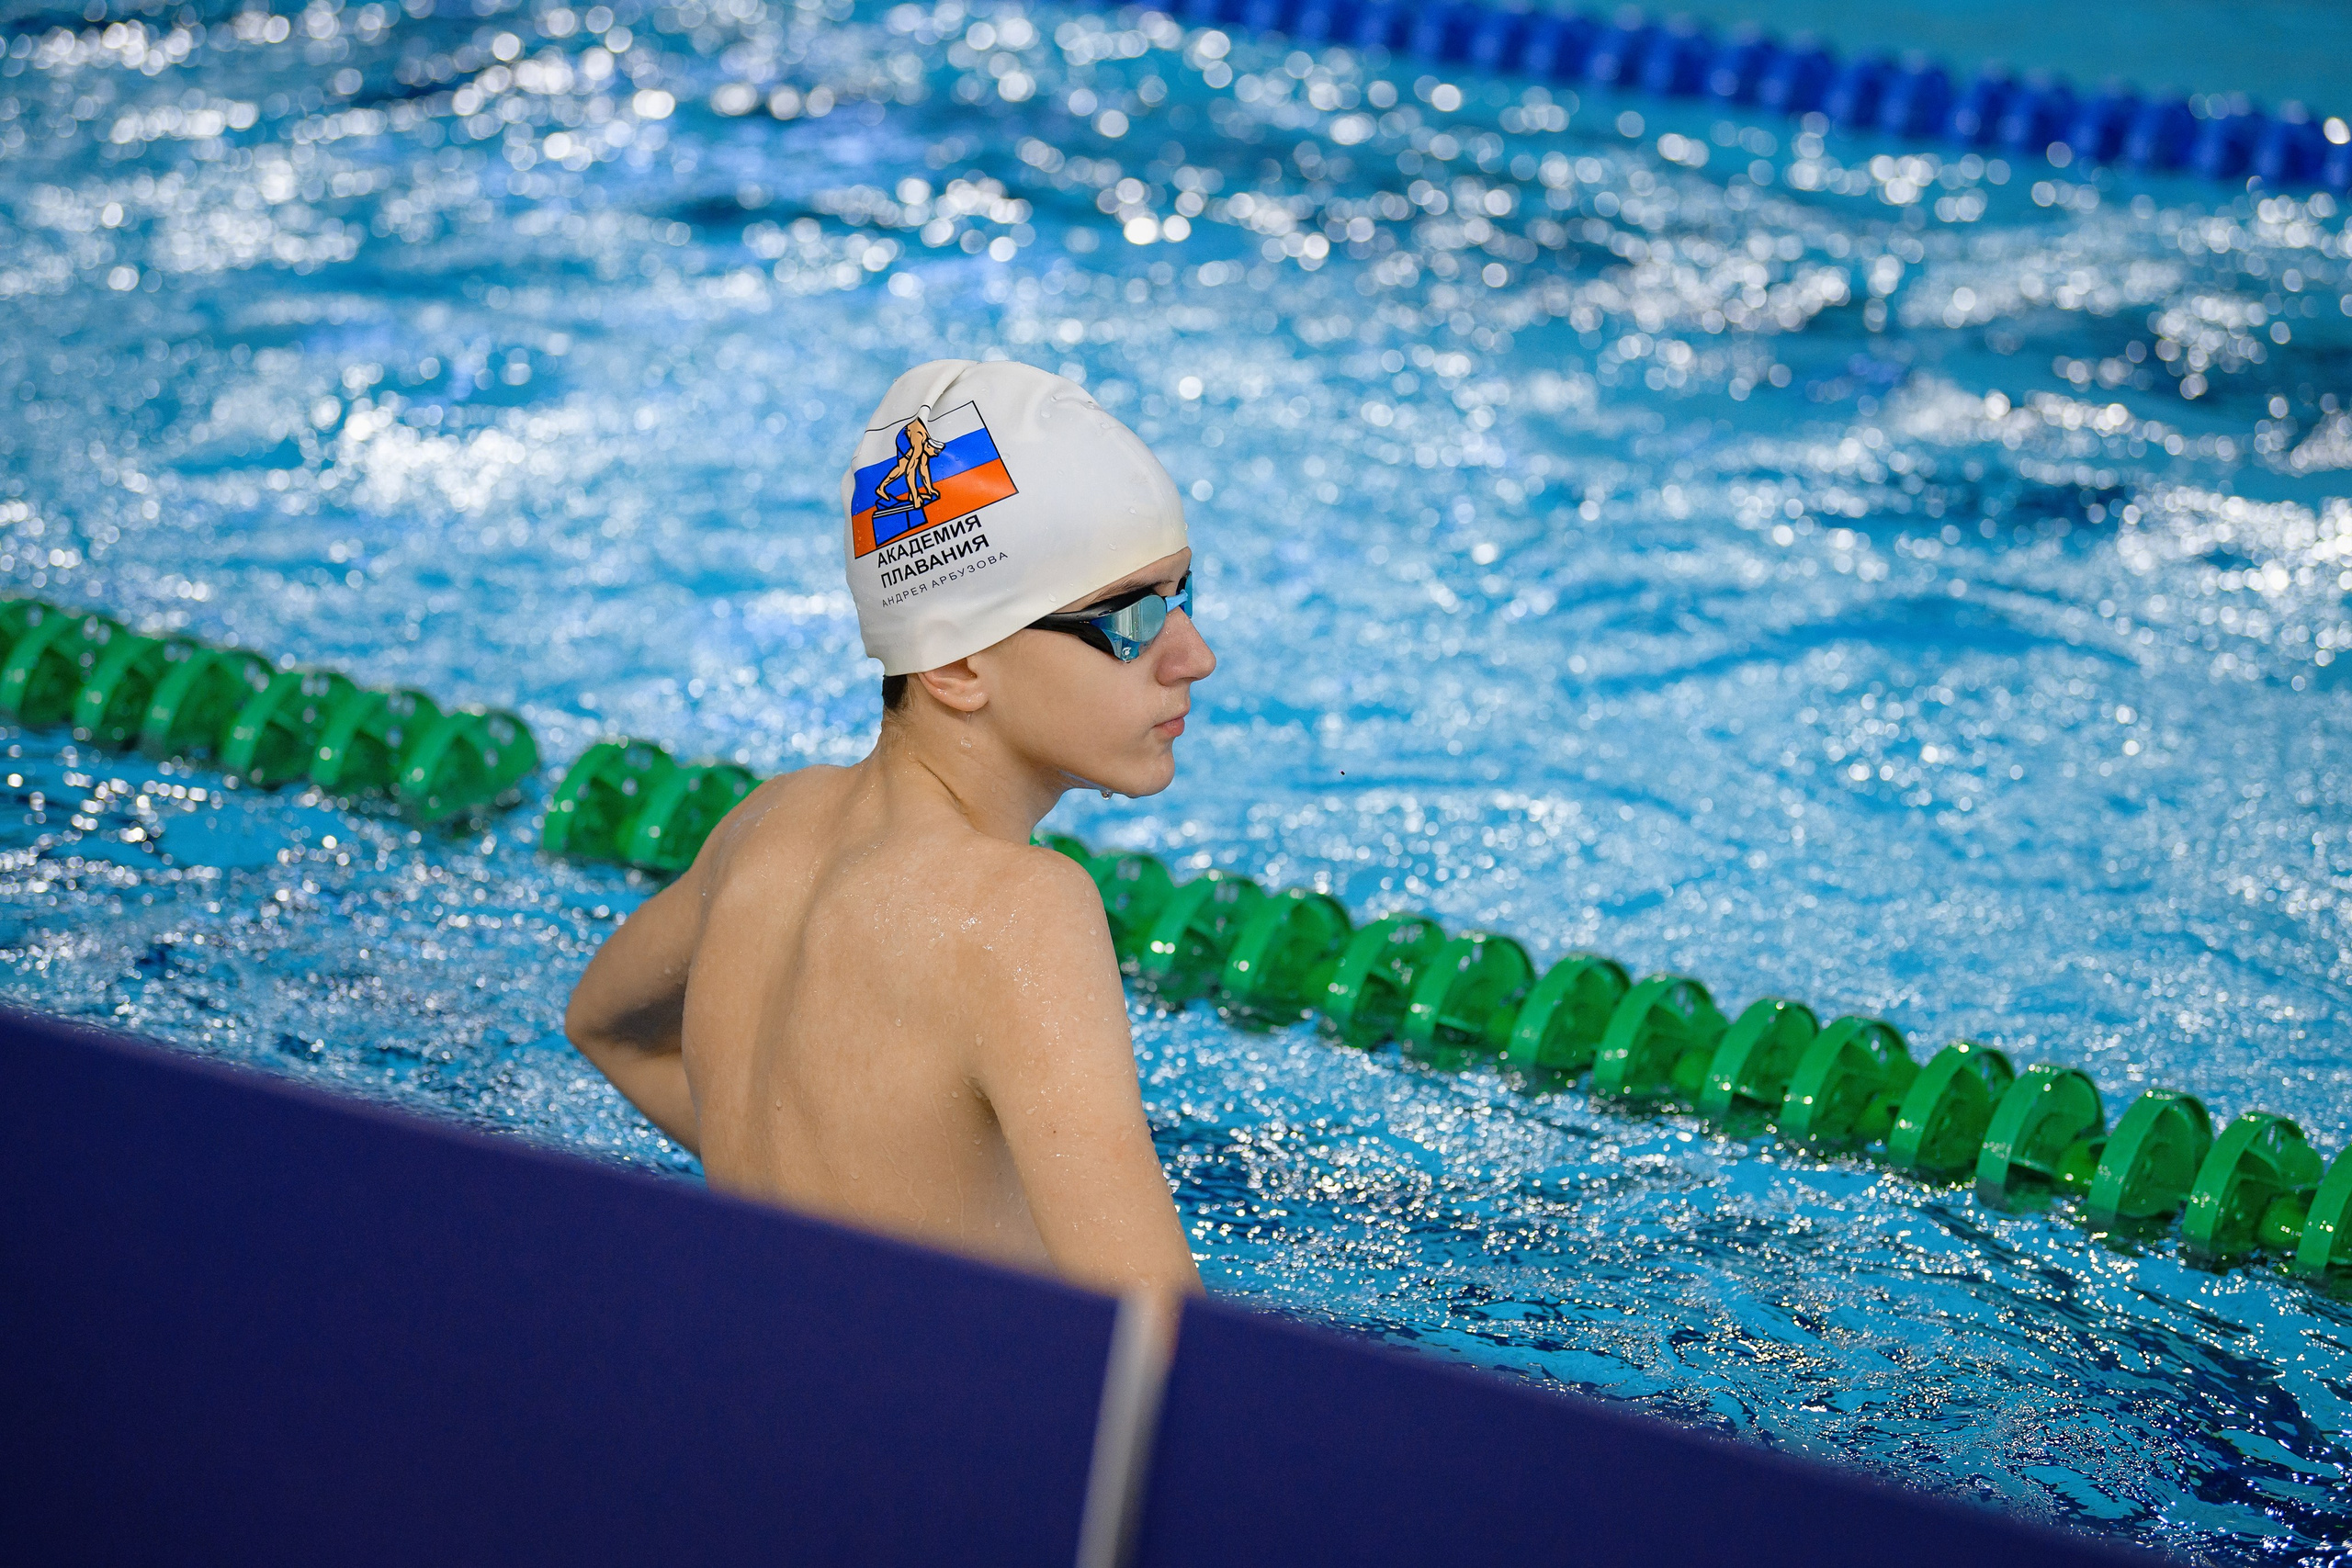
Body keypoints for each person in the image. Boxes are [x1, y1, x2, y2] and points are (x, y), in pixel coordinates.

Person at [565, 360, 1209, 1296]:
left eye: (1184, 595)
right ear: (952, 664)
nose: (1193, 655)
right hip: (940, 1433)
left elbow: (604, 1028)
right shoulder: (1020, 907)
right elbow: (1168, 1341)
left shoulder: (767, 826)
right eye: (1134, 618)